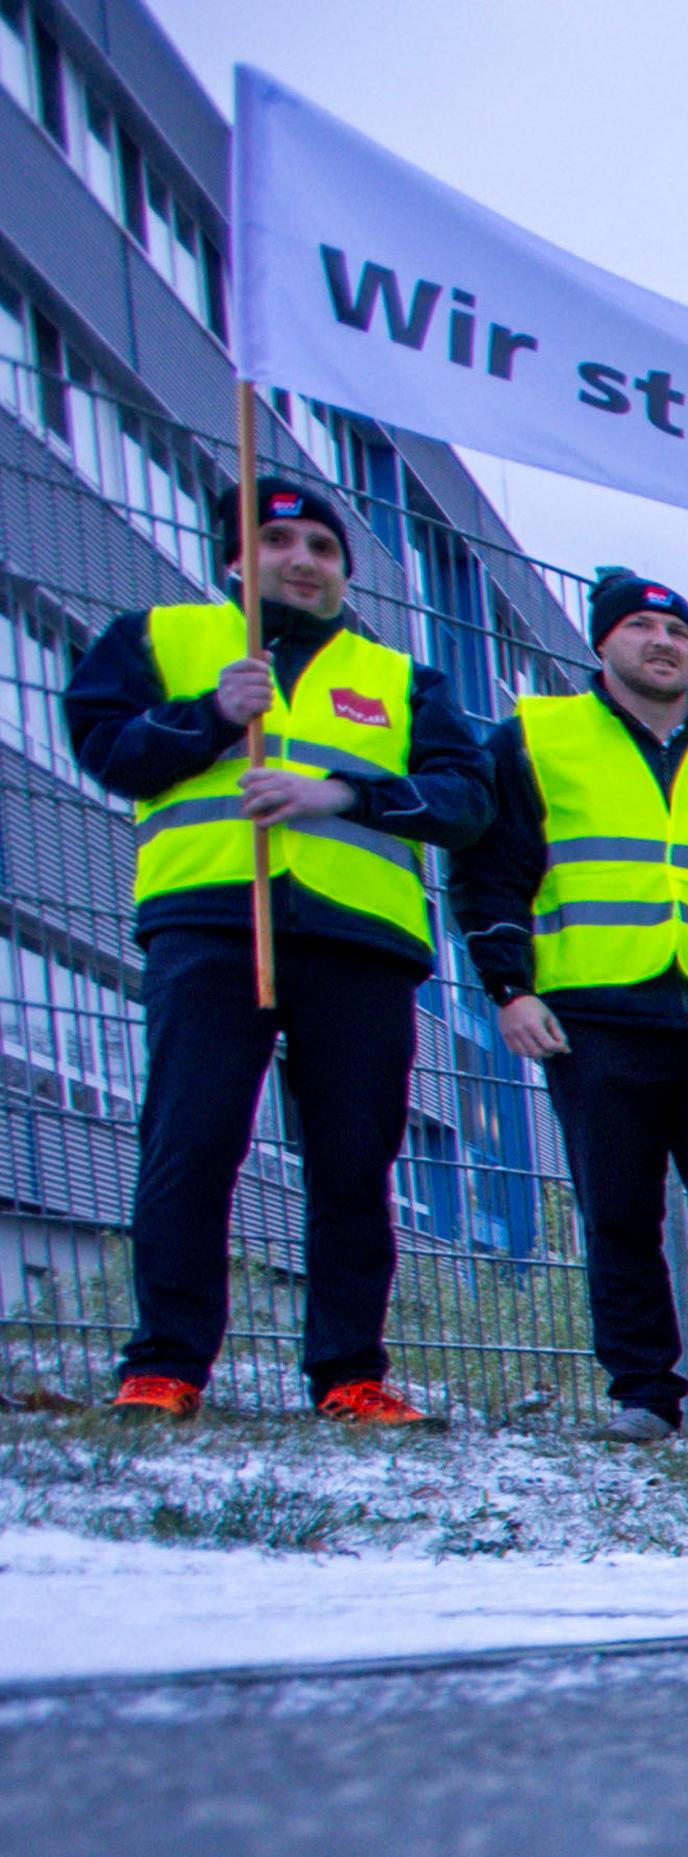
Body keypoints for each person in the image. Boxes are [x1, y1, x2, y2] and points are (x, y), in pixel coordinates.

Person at [82, 473, 488, 1425]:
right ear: (234, 557)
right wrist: (212, 717)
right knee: (192, 1141)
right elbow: (105, 750)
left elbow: (467, 803)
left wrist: (342, 795)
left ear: (345, 573)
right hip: (211, 924)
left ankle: (350, 1373)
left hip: (359, 942)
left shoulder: (400, 680)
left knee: (355, 1161)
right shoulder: (159, 642)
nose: (302, 561)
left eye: (322, 550)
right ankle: (165, 1364)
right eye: (277, 542)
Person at [453, 565, 688, 1444]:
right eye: (642, 628)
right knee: (618, 1215)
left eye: (678, 632)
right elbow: (491, 872)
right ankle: (644, 1395)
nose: (663, 643)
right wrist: (509, 987)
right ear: (602, 643)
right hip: (597, 1018)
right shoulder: (536, 738)